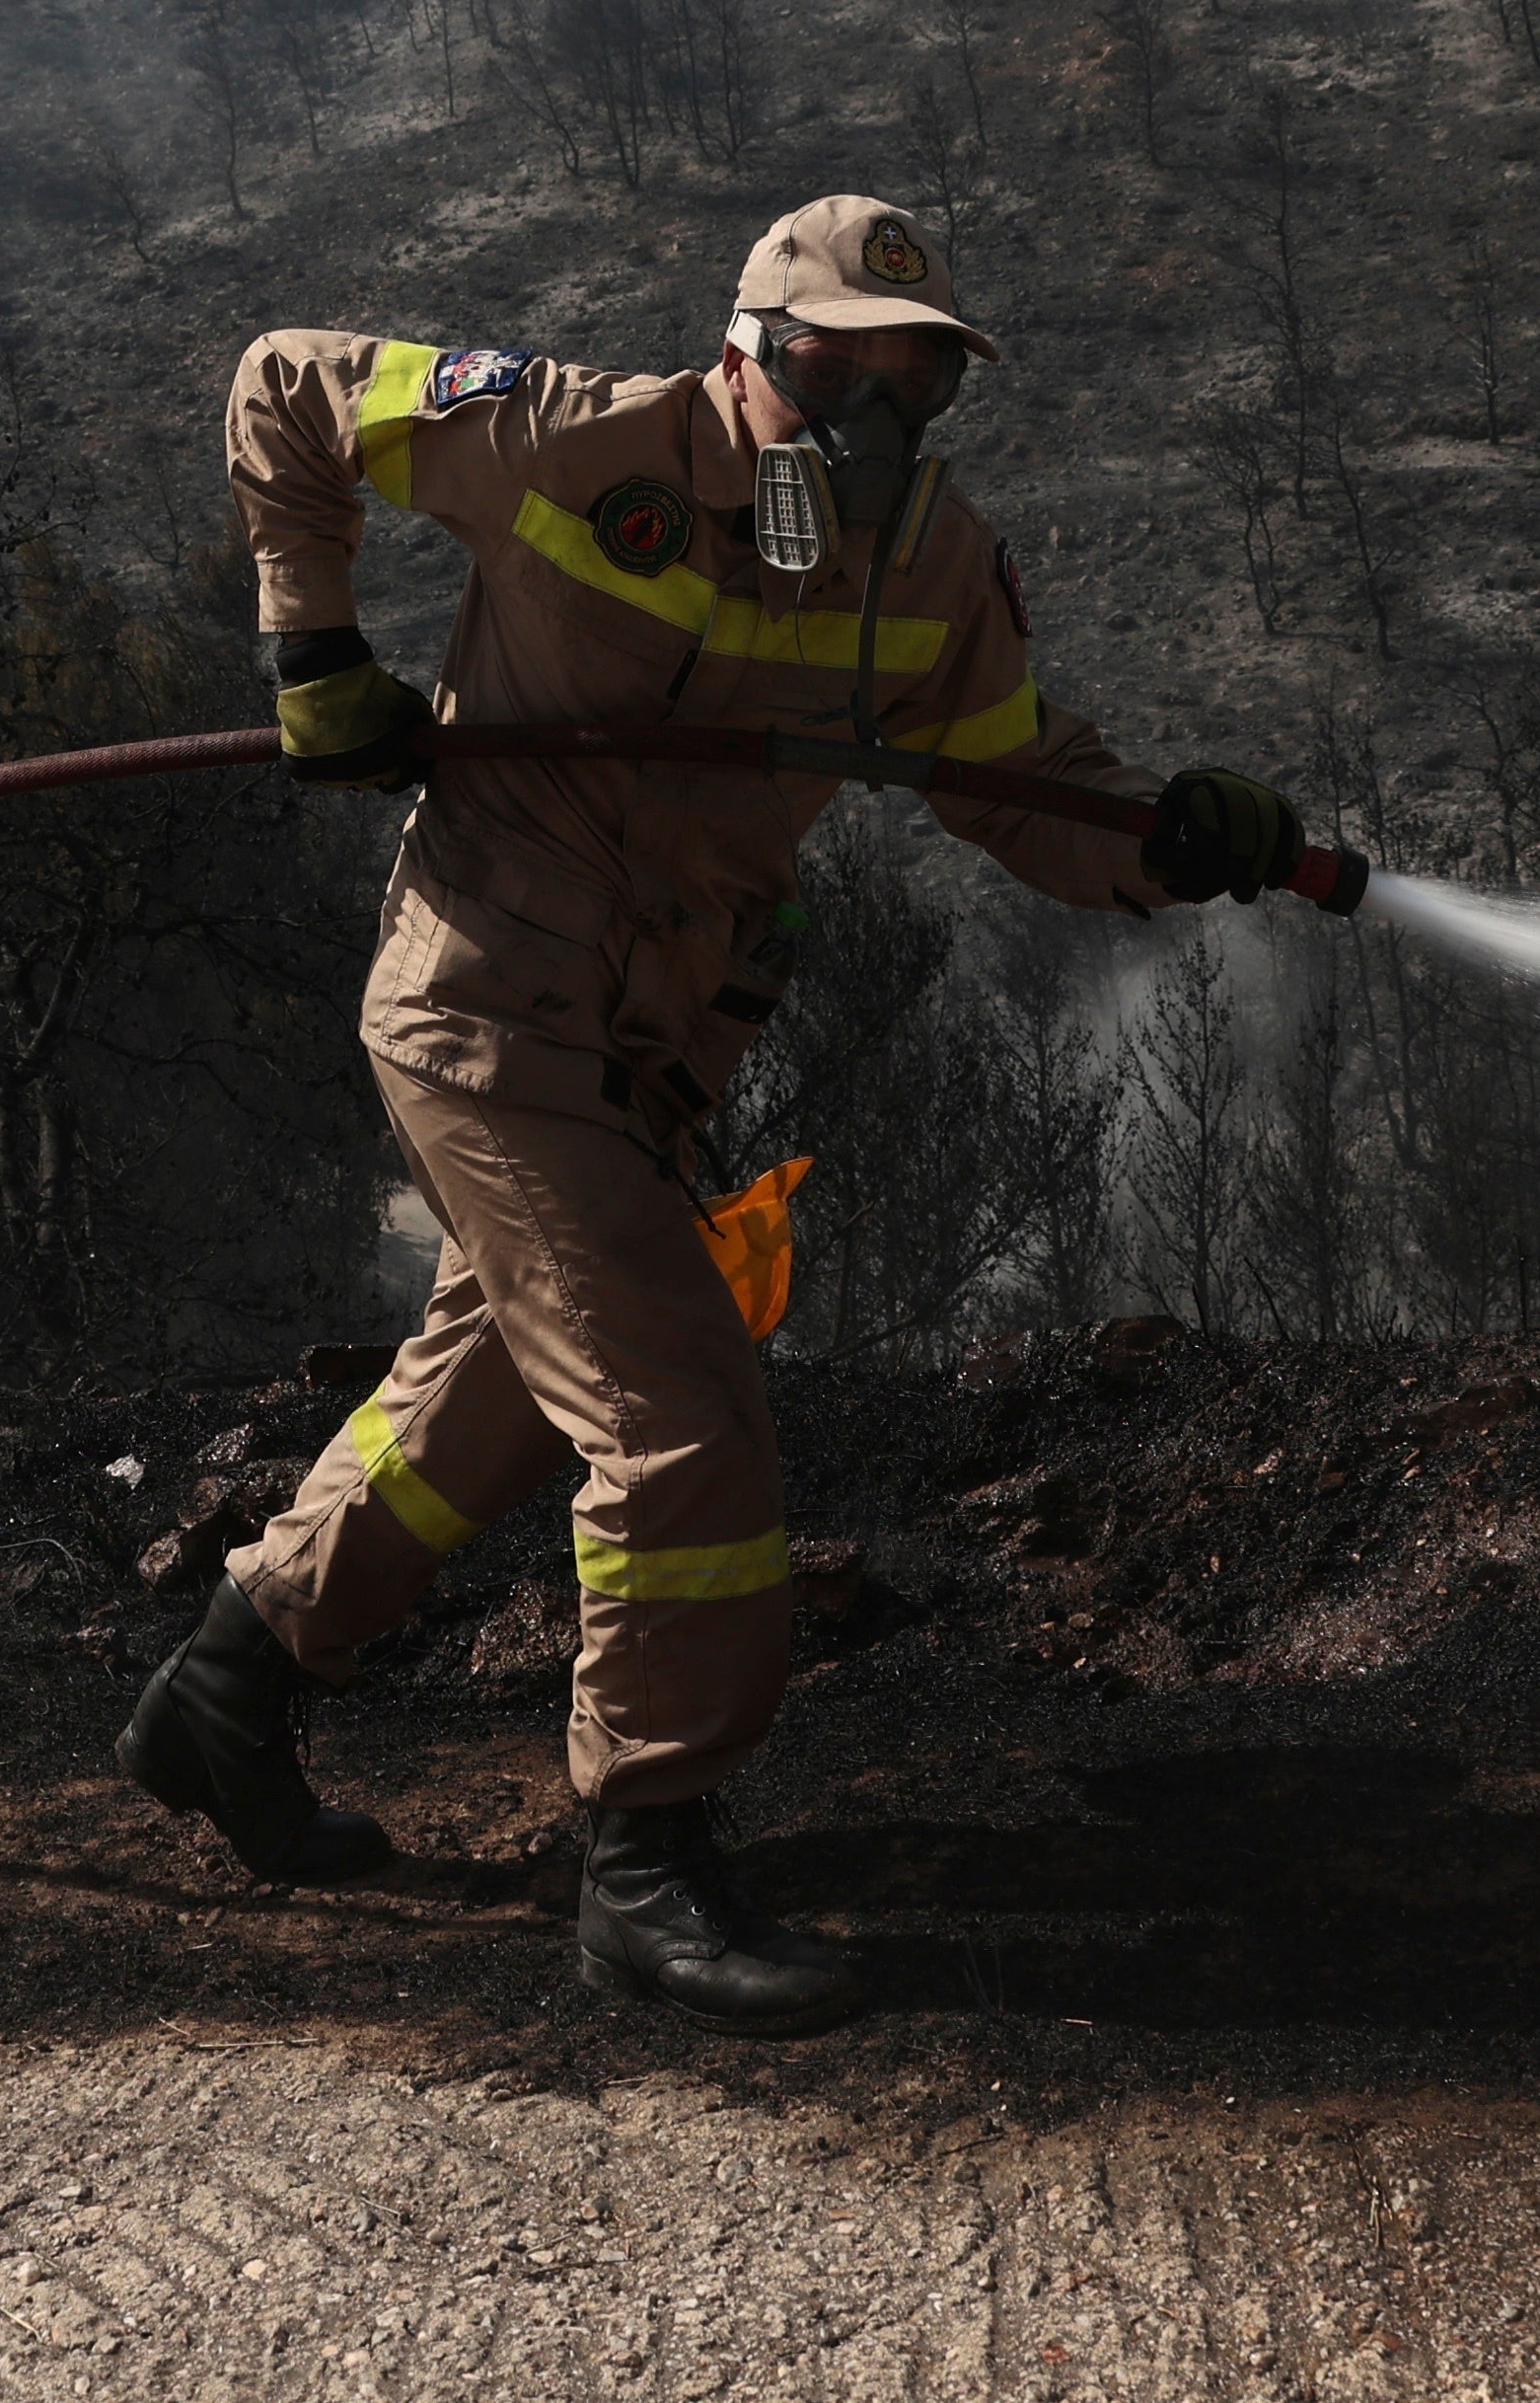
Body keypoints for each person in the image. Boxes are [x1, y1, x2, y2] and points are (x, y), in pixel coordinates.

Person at [122, 197, 1304, 2033]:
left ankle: (232, 1675)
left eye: (915, 391)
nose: (877, 429)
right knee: (677, 1420)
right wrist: (314, 653)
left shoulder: (930, 568)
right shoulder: (578, 440)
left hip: (656, 1050)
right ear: (752, 349)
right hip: (486, 1007)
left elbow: (1013, 789)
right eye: (845, 376)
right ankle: (646, 1859)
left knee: (501, 1384)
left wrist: (1169, 838)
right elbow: (287, 384)